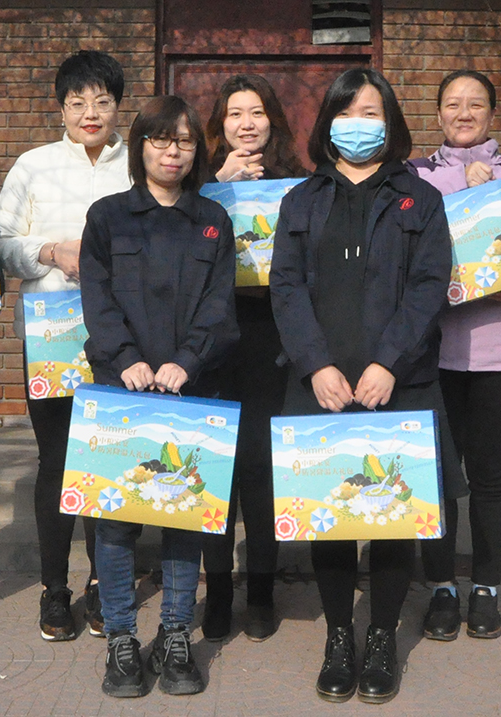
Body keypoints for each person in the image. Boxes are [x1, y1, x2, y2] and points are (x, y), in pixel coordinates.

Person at [270, 68, 468, 704]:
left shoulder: (420, 199)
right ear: (328, 122)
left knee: (391, 517)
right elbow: (285, 287)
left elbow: (428, 286)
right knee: (329, 517)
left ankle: (381, 637)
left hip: (398, 383)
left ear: (391, 121)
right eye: (346, 112)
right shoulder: (300, 200)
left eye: (371, 112)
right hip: (321, 384)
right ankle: (338, 636)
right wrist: (315, 365)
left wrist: (388, 362)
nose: (359, 124)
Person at [80, 95, 238, 698]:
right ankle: (121, 638)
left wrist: (186, 361)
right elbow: (97, 299)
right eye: (161, 139)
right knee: (115, 521)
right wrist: (127, 359)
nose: (173, 151)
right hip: (119, 389)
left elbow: (219, 305)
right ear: (141, 145)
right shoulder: (108, 217)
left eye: (186, 141)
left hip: (189, 389)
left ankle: (175, 636)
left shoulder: (212, 220)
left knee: (182, 519)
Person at [411, 69, 501, 641]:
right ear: (439, 114)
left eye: (476, 104)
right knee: (438, 475)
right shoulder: (415, 178)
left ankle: (486, 588)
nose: (464, 113)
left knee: (491, 476)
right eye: (453, 103)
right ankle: (442, 587)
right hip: (431, 354)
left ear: (494, 115)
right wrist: (468, 194)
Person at [0, 50, 131, 641]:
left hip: (122, 337)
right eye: (78, 102)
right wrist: (50, 251)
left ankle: (105, 583)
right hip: (52, 337)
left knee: (106, 458)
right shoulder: (33, 165)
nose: (90, 113)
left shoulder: (138, 163)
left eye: (102, 101)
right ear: (61, 109)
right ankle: (55, 589)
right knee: (56, 461)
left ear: (118, 106)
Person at [200, 74, 306, 642]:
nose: (247, 123)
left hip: (273, 339)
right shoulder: (199, 182)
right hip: (211, 340)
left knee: (263, 469)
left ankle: (261, 589)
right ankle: (218, 590)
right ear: (220, 125)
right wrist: (215, 184)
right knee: (217, 465)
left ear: (273, 121)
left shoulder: (300, 182)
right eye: (235, 113)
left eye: (257, 112)